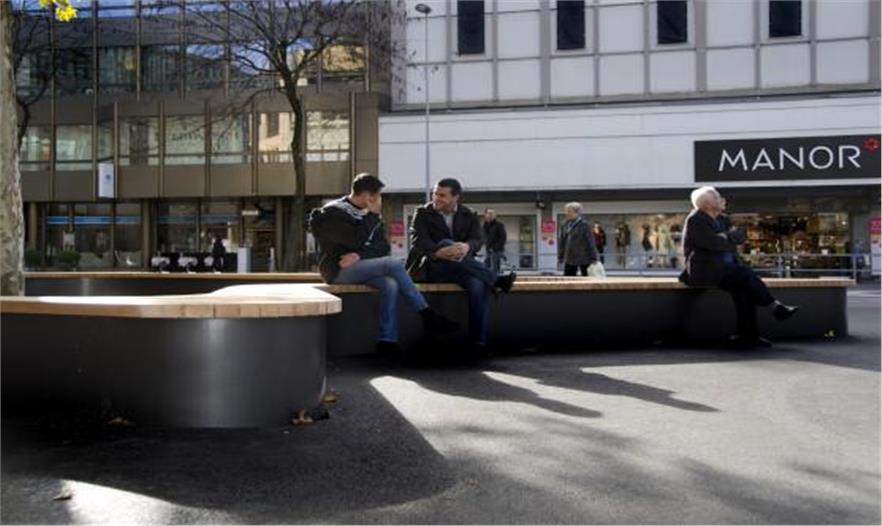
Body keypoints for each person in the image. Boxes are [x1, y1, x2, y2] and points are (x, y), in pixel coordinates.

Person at [309, 173, 458, 357]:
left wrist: (360, 254)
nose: (380, 200)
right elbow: (354, 240)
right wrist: (372, 217)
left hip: (362, 267)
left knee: (390, 284)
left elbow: (382, 247)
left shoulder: (369, 215)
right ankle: (427, 315)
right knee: (392, 263)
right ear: (368, 196)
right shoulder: (334, 212)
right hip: (338, 270)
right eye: (378, 195)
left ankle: (387, 342)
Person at [679, 186, 799, 348]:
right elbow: (714, 244)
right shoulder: (695, 220)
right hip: (706, 272)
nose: (723, 200)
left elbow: (741, 236)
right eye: (717, 197)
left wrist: (725, 237)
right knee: (744, 274)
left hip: (728, 269)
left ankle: (748, 336)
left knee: (745, 290)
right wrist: (728, 238)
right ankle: (774, 307)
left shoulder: (723, 218)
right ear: (707, 204)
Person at [407, 178, 516, 353]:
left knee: (477, 283)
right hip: (432, 267)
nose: (436, 198)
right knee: (446, 242)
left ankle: (477, 341)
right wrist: (438, 252)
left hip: (461, 268)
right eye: (435, 194)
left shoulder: (469, 214)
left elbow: (478, 240)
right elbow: (418, 241)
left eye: (442, 195)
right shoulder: (422, 213)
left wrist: (467, 247)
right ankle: (496, 279)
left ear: (455, 197)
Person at [558, 202, 599, 276]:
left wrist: (594, 258)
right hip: (569, 258)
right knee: (568, 279)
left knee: (587, 278)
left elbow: (590, 242)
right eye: (566, 211)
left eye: (569, 211)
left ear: (577, 212)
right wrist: (560, 256)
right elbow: (562, 241)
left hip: (584, 258)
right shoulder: (564, 224)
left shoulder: (584, 225)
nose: (566, 213)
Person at [482, 209, 507, 274]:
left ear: (495, 215)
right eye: (488, 213)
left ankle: (495, 279)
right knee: (486, 267)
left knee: (494, 268)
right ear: (485, 215)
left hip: (497, 250)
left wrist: (495, 247)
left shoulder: (499, 225)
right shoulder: (485, 226)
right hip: (488, 250)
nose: (490, 215)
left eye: (491, 213)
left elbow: (503, 238)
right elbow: (483, 237)